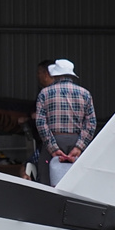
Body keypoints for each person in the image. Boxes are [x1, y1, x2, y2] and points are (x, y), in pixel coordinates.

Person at [34, 58, 96, 187]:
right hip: (76, 140)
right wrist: (79, 146)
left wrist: (53, 147)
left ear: (54, 74)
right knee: (77, 183)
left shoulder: (44, 93)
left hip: (54, 139)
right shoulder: (85, 94)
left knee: (46, 182)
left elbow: (40, 123)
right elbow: (91, 123)